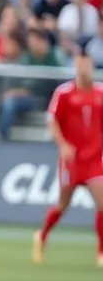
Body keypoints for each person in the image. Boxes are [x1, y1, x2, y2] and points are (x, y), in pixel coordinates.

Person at [32, 49, 103, 267]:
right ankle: (42, 236)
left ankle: (101, 252)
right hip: (72, 160)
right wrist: (63, 145)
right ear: (74, 66)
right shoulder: (64, 93)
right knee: (63, 204)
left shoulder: (100, 93)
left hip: (94, 160)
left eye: (87, 63)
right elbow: (52, 120)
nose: (83, 68)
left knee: (102, 203)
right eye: (80, 63)